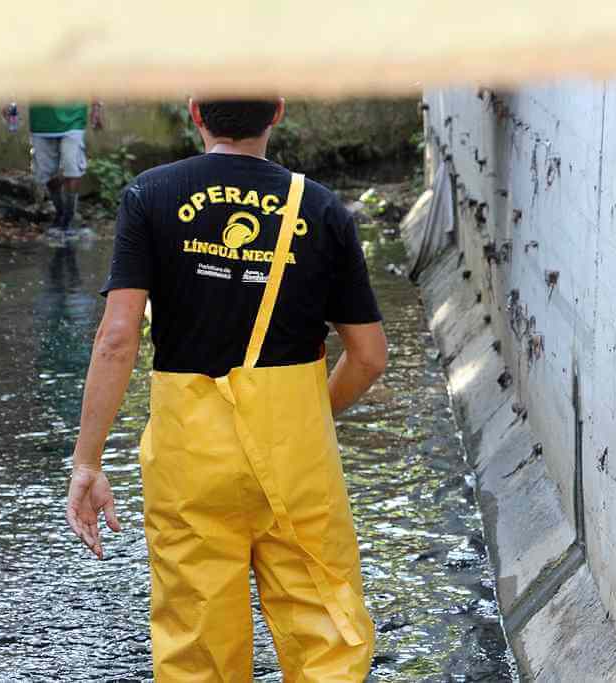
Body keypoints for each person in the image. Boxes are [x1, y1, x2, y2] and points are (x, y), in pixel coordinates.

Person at [65, 98, 388, 682]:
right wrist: (308, 417)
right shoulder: (320, 208)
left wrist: (88, 461)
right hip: (295, 460)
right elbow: (368, 357)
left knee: (197, 644)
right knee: (326, 632)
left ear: (195, 113)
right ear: (278, 112)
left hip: (190, 458)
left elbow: (117, 339)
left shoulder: (150, 196)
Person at [27, 100, 103, 235]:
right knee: (47, 175)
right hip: (41, 122)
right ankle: (61, 213)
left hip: (73, 118)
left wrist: (96, 107)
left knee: (72, 168)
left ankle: (69, 218)